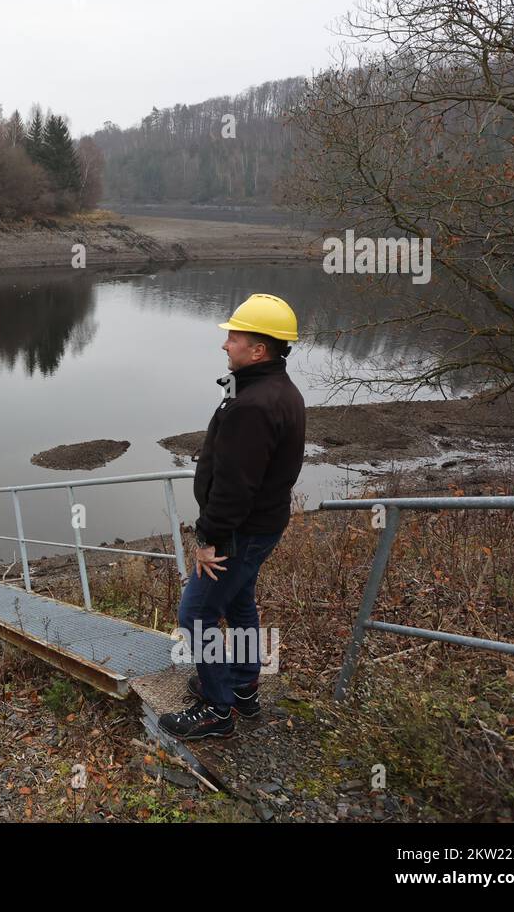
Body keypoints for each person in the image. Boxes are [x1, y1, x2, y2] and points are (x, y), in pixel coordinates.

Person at [159, 294, 306, 740]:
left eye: (234, 337)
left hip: (239, 531)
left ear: (259, 349)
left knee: (196, 615)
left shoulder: (253, 406)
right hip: (260, 526)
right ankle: (243, 686)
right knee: (240, 602)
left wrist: (208, 538)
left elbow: (235, 485)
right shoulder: (275, 389)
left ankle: (216, 709)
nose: (225, 344)